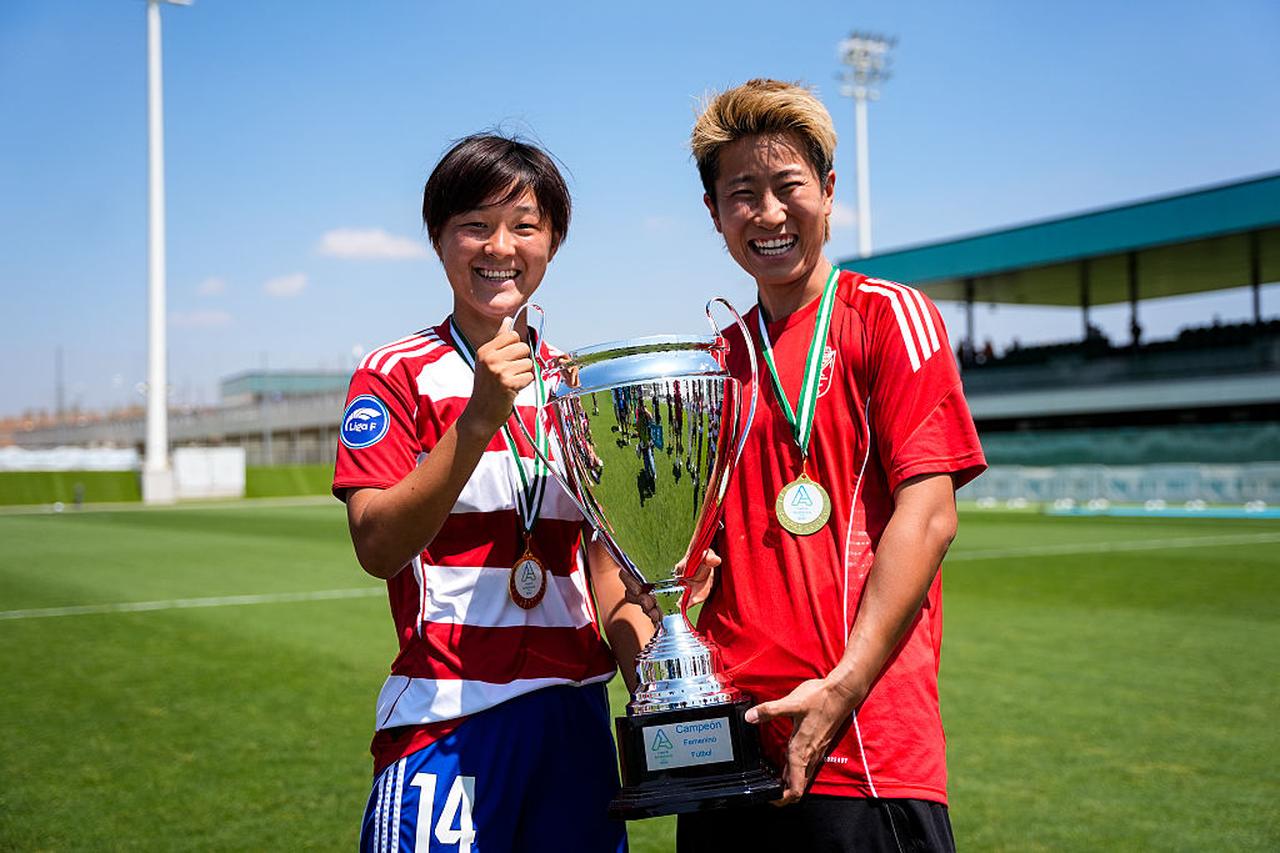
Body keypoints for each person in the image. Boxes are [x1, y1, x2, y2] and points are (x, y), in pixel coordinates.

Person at [639, 79, 988, 851]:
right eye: (742, 193)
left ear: (828, 194)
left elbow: (928, 516)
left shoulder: (890, 317)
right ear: (714, 214)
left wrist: (843, 684)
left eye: (787, 186)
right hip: (728, 755)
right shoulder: (709, 370)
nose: (767, 213)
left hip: (863, 749)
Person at [332, 133, 650, 853]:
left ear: (554, 241)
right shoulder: (394, 373)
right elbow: (377, 544)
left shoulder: (574, 383)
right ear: (440, 239)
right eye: (474, 224)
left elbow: (599, 559)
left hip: (574, 719)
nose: (498, 245)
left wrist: (657, 684)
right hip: (450, 715)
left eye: (524, 225)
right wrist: (479, 417)